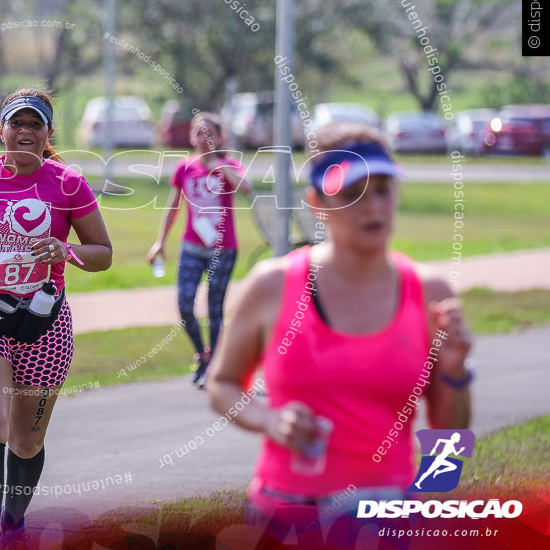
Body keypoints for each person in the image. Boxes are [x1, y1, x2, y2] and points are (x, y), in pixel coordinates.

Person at [207, 122, 472, 544]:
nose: (374, 208)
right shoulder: (272, 285)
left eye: (383, 189)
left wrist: (456, 373)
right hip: (284, 513)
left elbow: (449, 438)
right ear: (316, 203)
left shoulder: (429, 294)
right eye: (353, 194)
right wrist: (268, 418)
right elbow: (221, 384)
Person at [0, 88, 112, 548]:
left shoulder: (69, 183)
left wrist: (65, 250)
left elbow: (103, 254)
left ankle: (13, 518)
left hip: (43, 322)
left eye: (35, 124)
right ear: (1, 130)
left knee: (25, 442)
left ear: (48, 134)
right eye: (16, 123)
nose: (25, 131)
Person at [148, 112, 252, 388]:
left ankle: (214, 364)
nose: (203, 138)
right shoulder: (184, 168)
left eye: (209, 133)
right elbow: (172, 207)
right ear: (191, 137)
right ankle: (202, 353)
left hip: (223, 248)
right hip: (192, 246)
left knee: (215, 309)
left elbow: (246, 187)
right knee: (185, 305)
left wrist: (220, 165)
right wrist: (160, 241)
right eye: (198, 132)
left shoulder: (228, 165)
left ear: (219, 138)